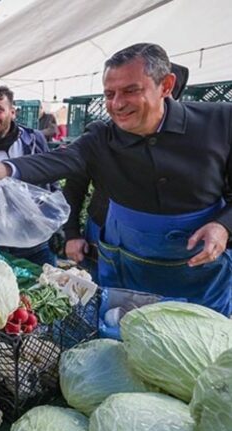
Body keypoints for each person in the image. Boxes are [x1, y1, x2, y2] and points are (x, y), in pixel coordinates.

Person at [0, 43, 232, 315]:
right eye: (109, 94)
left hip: (200, 272)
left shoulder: (221, 122)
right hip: (127, 268)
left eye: (130, 91)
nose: (117, 104)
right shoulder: (102, 136)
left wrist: (223, 226)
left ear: (166, 85)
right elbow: (63, 161)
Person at [63, 61, 191, 278]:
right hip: (104, 235)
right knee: (106, 297)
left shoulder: (190, 137)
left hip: (175, 246)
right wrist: (71, 233)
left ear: (167, 90)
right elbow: (75, 185)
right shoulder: (106, 138)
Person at [0, 85, 57, 266]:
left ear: (12, 112)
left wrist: (56, 225)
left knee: (46, 287)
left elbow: (51, 182)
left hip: (37, 241)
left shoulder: (35, 140)